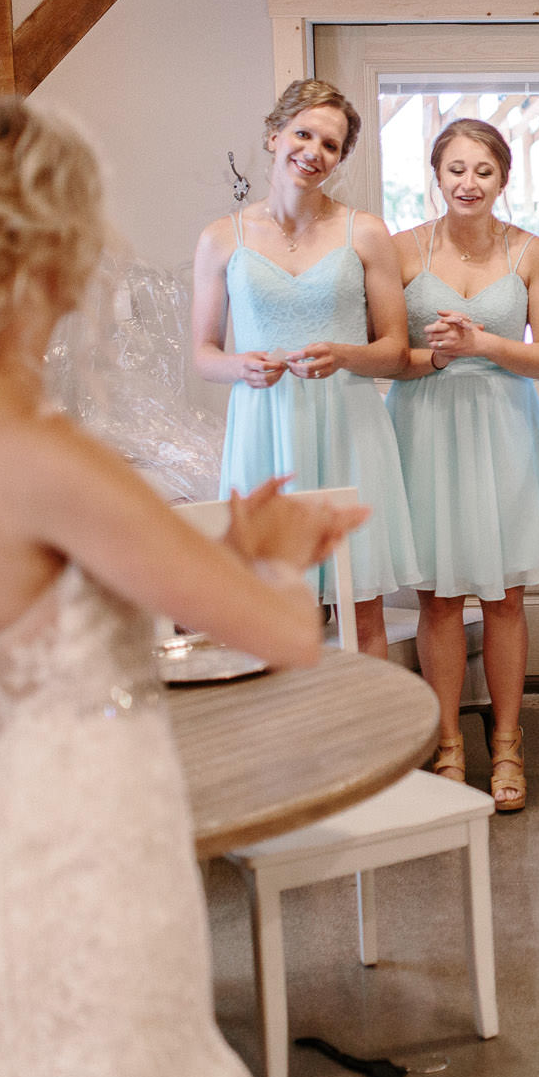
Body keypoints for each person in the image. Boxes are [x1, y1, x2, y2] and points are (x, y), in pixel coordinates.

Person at [0, 99, 365, 1077]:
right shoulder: (45, 452)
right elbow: (281, 635)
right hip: (83, 843)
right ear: (43, 254)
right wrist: (274, 554)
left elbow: (33, 593)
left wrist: (221, 544)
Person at [191, 79, 419, 657]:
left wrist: (344, 354)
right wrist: (241, 365)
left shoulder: (364, 232)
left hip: (348, 423)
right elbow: (204, 354)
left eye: (331, 145)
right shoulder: (222, 239)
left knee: (362, 607)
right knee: (268, 602)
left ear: (340, 158)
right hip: (264, 425)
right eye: (303, 134)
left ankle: (372, 742)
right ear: (274, 135)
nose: (313, 152)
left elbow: (395, 348)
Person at [387, 117, 539, 812]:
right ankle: (447, 745)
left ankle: (508, 743)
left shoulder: (530, 253)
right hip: (425, 426)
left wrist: (483, 342)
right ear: (437, 174)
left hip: (502, 428)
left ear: (503, 178)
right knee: (437, 594)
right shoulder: (401, 252)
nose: (469, 182)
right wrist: (436, 353)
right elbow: (383, 355)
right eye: (456, 169)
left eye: (483, 171)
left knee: (505, 597)